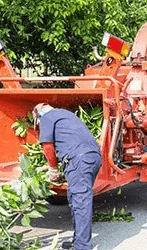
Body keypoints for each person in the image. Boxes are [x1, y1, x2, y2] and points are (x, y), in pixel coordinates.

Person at [33, 103, 101, 250]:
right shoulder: (64, 114)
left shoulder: (46, 117)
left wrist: (52, 169)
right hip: (91, 157)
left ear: (38, 115)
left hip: (80, 160)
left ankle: (82, 246)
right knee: (76, 200)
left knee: (80, 202)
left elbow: (48, 145)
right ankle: (78, 241)